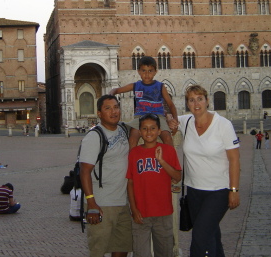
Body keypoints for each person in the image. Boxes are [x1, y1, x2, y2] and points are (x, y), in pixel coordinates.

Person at [168, 84, 240, 256]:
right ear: (188, 104)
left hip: (218, 191)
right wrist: (171, 119)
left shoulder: (223, 125)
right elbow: (170, 117)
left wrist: (234, 190)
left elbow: (234, 159)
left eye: (200, 99)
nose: (196, 103)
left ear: (207, 101)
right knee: (212, 236)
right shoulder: (186, 122)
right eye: (191, 100)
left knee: (200, 238)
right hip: (194, 190)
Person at [79, 94, 132, 257]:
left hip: (122, 203)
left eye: (116, 107)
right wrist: (91, 203)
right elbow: (84, 171)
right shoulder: (94, 137)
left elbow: (149, 126)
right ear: (99, 113)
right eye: (107, 108)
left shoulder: (124, 130)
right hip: (102, 204)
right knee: (98, 251)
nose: (113, 111)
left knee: (122, 249)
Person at [126, 113, 181, 257]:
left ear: (158, 131)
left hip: (163, 212)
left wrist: (162, 161)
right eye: (144, 128)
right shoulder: (134, 153)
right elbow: (130, 182)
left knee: (164, 253)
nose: (148, 132)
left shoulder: (168, 150)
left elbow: (177, 176)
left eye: (152, 128)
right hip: (141, 213)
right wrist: (133, 208)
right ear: (139, 131)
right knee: (141, 253)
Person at [109, 56, 178, 149]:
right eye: (143, 70)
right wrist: (110, 96)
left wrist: (175, 121)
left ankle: (172, 162)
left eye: (150, 71)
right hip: (140, 118)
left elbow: (171, 105)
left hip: (158, 117)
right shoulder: (135, 85)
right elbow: (116, 90)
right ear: (139, 72)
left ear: (155, 72)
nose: (147, 74)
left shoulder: (160, 86)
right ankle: (131, 162)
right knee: (133, 138)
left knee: (167, 137)